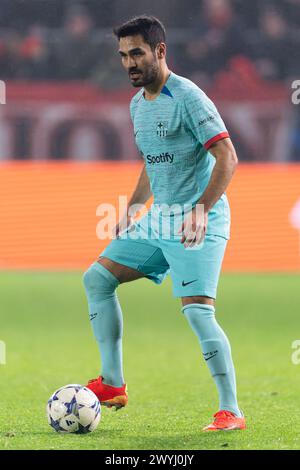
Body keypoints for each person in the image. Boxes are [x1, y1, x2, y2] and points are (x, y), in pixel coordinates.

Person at [83, 15, 245, 432]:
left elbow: (227, 157)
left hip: (198, 220)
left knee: (197, 313)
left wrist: (202, 209)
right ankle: (113, 382)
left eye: (136, 53)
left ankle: (231, 411)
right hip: (159, 220)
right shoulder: (138, 104)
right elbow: (152, 162)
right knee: (97, 279)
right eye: (122, 55)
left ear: (159, 50)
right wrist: (134, 206)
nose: (128, 63)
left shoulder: (189, 96)